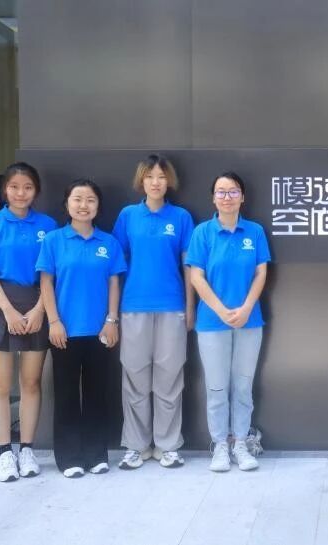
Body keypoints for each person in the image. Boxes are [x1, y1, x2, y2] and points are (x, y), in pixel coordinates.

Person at [0, 162, 57, 482]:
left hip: (36, 304)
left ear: (36, 191)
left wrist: (39, 310)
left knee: (31, 383)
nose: (21, 193)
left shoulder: (47, 225)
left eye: (28, 187)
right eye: (14, 187)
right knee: (0, 384)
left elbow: (51, 272)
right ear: (5, 190)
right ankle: (5, 453)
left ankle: (27, 449)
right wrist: (6, 309)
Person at [36, 179, 127, 478]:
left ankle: (96, 454)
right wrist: (54, 321)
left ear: (98, 206)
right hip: (64, 331)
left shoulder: (108, 243)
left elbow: (114, 283)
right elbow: (46, 283)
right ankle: (69, 457)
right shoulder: (54, 240)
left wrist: (112, 320)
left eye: (90, 200)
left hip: (100, 332)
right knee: (65, 396)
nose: (83, 205)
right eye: (77, 199)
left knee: (96, 394)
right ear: (67, 204)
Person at [112, 154, 195, 470]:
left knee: (169, 379)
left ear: (169, 181)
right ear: (141, 181)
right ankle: (136, 446)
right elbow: (116, 267)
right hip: (133, 307)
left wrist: (190, 307)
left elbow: (189, 267)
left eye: (161, 176)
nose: (156, 182)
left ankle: (168, 446)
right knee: (134, 380)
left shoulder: (181, 217)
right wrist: (113, 314)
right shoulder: (128, 216)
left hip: (172, 307)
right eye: (149, 176)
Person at [186, 171, 270, 472]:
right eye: (221, 192)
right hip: (212, 322)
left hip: (250, 320)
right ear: (213, 198)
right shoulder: (202, 233)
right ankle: (220, 445)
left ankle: (241, 444)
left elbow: (261, 272)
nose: (227, 197)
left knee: (243, 386)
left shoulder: (254, 232)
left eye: (233, 191)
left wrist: (246, 307)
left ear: (242, 197)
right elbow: (196, 276)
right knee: (217, 388)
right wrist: (222, 311)